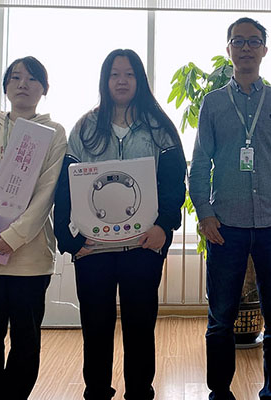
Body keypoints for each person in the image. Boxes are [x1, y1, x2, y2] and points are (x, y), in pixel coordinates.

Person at [53, 49, 186, 400]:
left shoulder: (159, 128)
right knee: (95, 326)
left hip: (143, 245)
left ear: (140, 80)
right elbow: (65, 186)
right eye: (115, 74)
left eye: (129, 74)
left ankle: (140, 392)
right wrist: (68, 240)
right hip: (92, 248)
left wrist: (164, 228)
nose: (122, 81)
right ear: (105, 80)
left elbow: (174, 184)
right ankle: (96, 391)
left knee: (140, 326)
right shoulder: (85, 127)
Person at [188, 17, 271, 400]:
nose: (245, 48)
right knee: (220, 319)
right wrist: (204, 213)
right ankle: (219, 392)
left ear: (264, 50)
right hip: (226, 227)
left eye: (253, 41)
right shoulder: (212, 103)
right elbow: (200, 163)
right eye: (238, 41)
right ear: (228, 49)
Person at [0, 56, 67, 400]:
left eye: (32, 79)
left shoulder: (54, 133)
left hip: (29, 258)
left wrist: (15, 236)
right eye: (16, 77)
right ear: (5, 86)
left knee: (26, 341)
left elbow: (47, 192)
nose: (23, 84)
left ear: (44, 89)